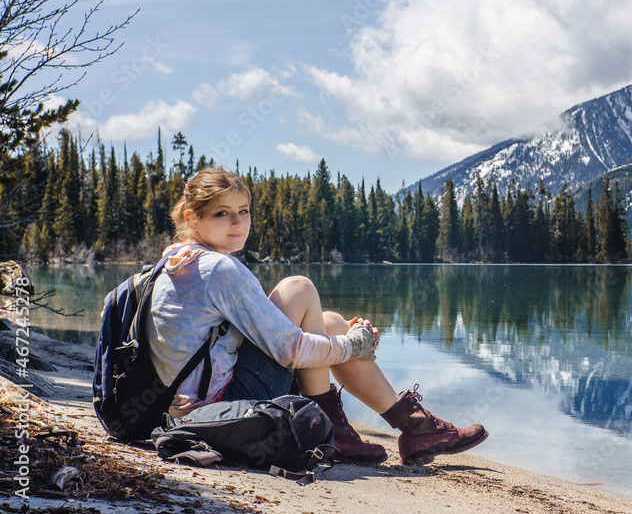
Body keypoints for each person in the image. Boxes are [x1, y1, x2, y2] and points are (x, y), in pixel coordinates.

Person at [148, 167, 487, 466]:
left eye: (244, 210)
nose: (239, 222)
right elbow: (290, 351)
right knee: (300, 287)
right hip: (218, 411)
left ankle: (411, 427)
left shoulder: (175, 261)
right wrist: (351, 346)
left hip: (182, 405)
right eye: (223, 213)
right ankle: (358, 429)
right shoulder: (218, 268)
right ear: (192, 218)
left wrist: (339, 338)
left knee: (330, 322)